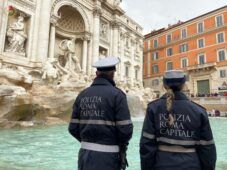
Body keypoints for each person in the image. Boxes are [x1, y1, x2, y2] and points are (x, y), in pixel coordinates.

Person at [140, 70, 216, 170]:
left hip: (161, 164)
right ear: (184, 85)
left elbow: (146, 145)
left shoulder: (153, 108)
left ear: (164, 85)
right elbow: (207, 148)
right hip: (191, 165)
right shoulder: (199, 111)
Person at [68, 57, 133, 170]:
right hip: (109, 157)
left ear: (97, 73)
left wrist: (88, 140)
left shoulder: (82, 94)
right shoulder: (117, 95)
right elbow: (125, 131)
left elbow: (72, 128)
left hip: (84, 155)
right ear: (113, 74)